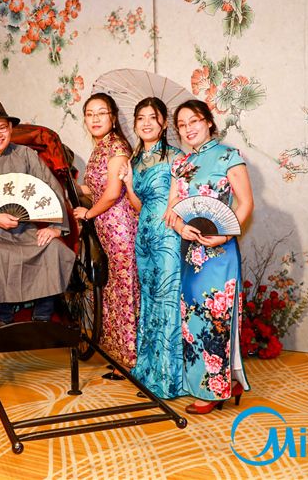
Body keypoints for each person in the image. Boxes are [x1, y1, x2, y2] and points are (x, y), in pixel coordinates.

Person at [0, 100, 75, 327]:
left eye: (2, 128)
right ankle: (3, 316)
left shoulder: (26, 155)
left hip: (24, 229)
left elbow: (51, 188)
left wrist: (55, 227)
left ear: (10, 129)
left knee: (53, 249)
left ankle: (43, 314)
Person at [166, 99, 253, 414]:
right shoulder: (180, 164)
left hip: (219, 252)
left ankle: (214, 390)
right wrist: (181, 227)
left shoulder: (229, 156)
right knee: (192, 317)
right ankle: (210, 383)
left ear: (208, 122)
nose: (188, 128)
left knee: (217, 317)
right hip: (190, 252)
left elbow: (245, 203)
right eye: (182, 125)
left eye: (194, 121)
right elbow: (172, 210)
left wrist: (226, 234)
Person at [120, 97, 187, 398]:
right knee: (149, 300)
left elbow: (182, 198)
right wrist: (128, 182)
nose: (146, 123)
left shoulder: (176, 156)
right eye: (141, 118)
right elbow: (138, 206)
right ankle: (149, 371)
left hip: (169, 235)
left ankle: (169, 377)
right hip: (144, 236)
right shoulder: (134, 161)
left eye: (153, 117)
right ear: (135, 124)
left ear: (163, 123)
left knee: (167, 299)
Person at [72, 93, 139, 370]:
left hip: (120, 226)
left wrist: (87, 213)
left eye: (101, 113)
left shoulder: (117, 147)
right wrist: (66, 187)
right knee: (112, 289)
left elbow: (112, 193)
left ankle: (132, 358)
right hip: (106, 227)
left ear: (113, 117)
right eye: (90, 114)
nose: (95, 119)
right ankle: (118, 354)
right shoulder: (100, 147)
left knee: (125, 290)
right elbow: (94, 188)